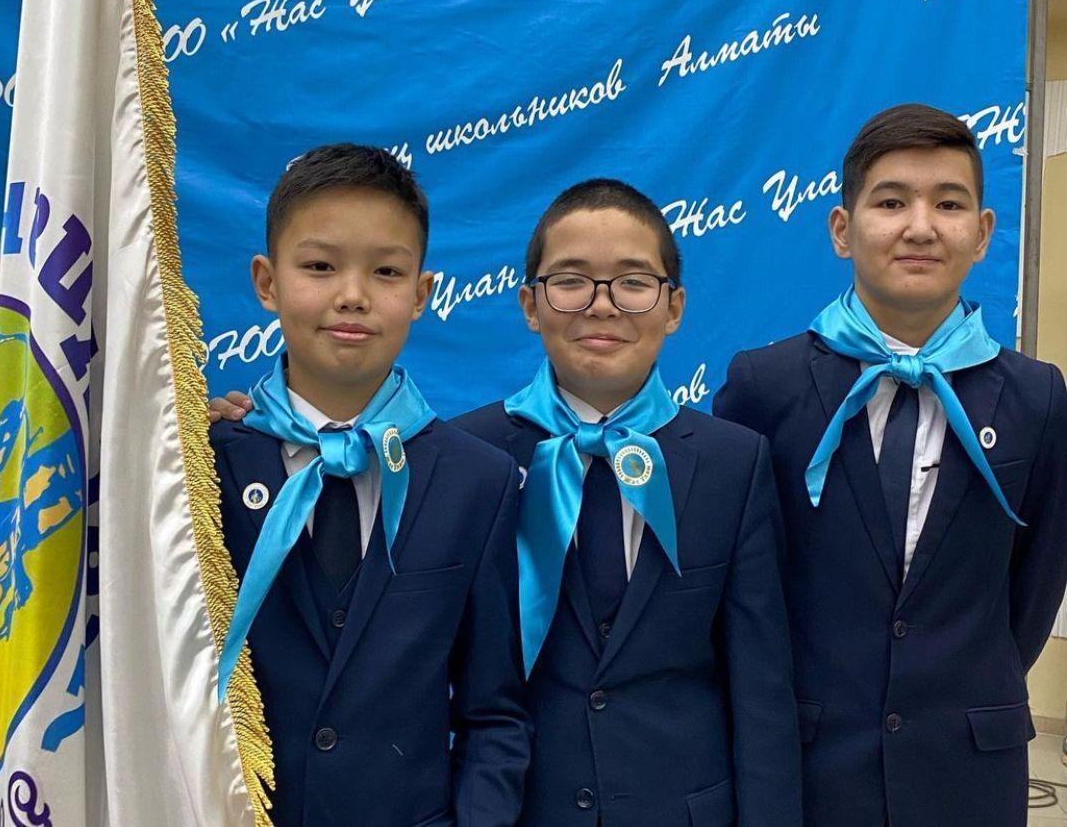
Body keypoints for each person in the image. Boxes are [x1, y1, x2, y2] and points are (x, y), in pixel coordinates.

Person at [714, 104, 1067, 827]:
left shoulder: (1038, 397)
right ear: (842, 229)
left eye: (948, 203)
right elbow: (742, 589)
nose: (920, 226)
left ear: (982, 232)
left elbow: (1032, 589)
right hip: (809, 767)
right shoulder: (764, 387)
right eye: (890, 202)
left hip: (967, 770)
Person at [455, 180, 801, 827]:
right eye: (570, 282)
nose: (601, 305)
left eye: (633, 283)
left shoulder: (733, 462)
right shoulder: (467, 456)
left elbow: (761, 688)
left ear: (674, 307)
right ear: (529, 304)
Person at [210, 144, 530, 827]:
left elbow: (493, 711)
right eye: (319, 266)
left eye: (386, 271)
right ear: (266, 281)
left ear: (421, 294)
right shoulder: (200, 466)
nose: (352, 294)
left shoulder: (478, 481)